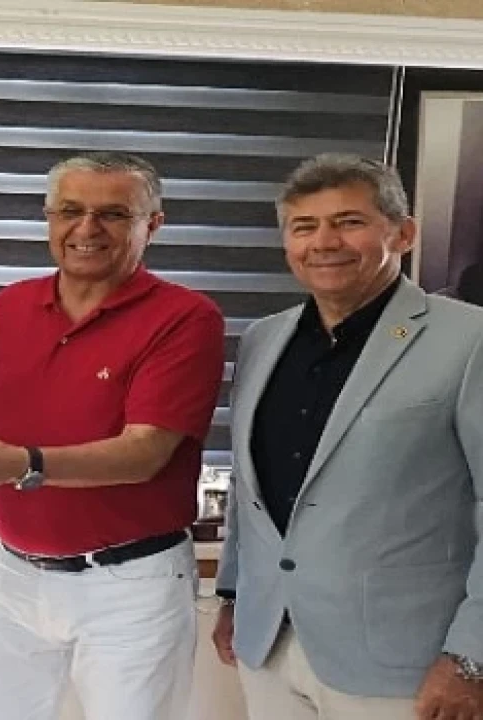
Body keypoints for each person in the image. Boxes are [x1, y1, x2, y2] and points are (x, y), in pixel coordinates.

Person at [0, 151, 225, 720]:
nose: (86, 229)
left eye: (113, 214)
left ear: (152, 224)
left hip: (128, 583)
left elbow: (145, 453)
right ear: (49, 218)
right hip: (8, 569)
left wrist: (20, 464)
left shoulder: (186, 318)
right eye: (70, 211)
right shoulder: (12, 303)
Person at [212, 154, 483, 720]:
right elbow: (250, 485)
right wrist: (234, 593)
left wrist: (471, 656)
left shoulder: (470, 338)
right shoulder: (263, 339)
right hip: (270, 642)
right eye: (304, 226)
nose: (324, 242)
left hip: (405, 660)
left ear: (403, 234)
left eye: (349, 222)